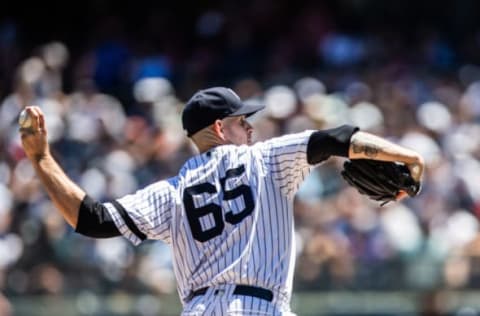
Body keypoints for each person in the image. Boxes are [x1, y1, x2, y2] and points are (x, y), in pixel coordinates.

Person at [20, 87, 424, 315]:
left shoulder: (171, 191)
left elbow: (93, 219)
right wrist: (406, 156)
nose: (250, 128)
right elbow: (337, 139)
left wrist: (40, 159)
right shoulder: (265, 158)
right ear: (219, 127)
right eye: (242, 122)